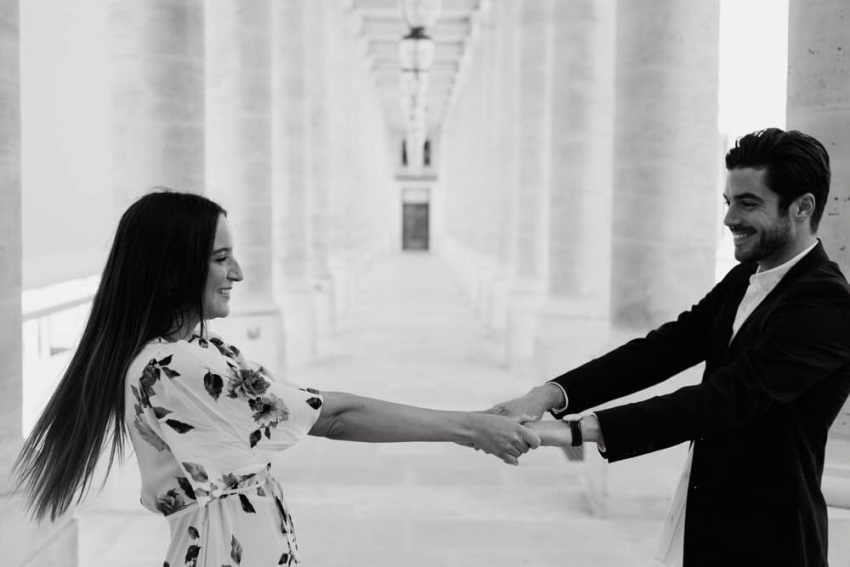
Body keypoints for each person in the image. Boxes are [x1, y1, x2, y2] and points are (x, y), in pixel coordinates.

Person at [13, 190, 540, 567]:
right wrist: (469, 428)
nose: (238, 273)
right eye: (221, 258)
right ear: (173, 269)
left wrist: (493, 422)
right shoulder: (175, 368)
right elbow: (331, 416)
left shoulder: (197, 350)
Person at [493, 128, 850, 567]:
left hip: (770, 537)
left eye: (748, 203)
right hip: (706, 515)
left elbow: (725, 401)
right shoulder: (747, 277)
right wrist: (546, 395)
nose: (729, 219)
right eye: (728, 202)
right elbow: (661, 350)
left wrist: (573, 431)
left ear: (802, 207)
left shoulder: (827, 303)